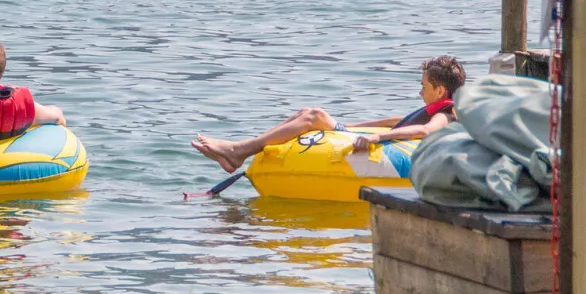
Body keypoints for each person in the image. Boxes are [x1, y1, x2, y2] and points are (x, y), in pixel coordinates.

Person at [191, 55, 467, 174]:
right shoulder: (433, 108)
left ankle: (238, 151)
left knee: (313, 115)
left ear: (440, 89)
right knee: (309, 113)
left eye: (423, 87)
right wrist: (349, 126)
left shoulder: (445, 114)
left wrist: (377, 138)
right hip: (366, 135)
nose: (420, 92)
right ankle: (238, 151)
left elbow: (424, 131)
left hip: (382, 145)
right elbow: (395, 120)